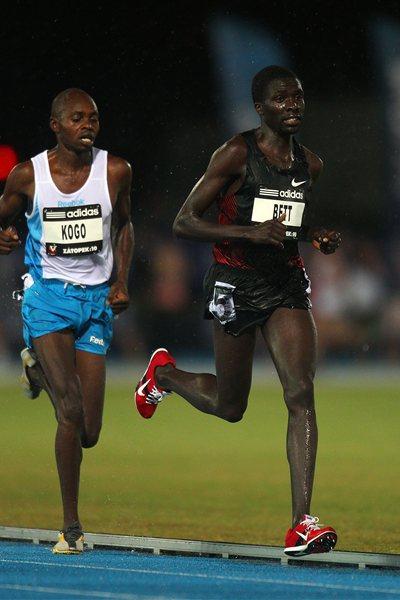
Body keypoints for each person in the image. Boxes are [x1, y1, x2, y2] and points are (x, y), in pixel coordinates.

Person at [135, 66, 341, 557]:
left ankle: (302, 523)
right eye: (281, 98)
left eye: (298, 96)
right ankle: (164, 376)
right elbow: (184, 222)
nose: (292, 104)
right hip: (235, 282)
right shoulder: (235, 154)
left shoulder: (309, 164)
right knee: (231, 407)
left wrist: (317, 236)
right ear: (260, 107)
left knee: (301, 393)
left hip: (286, 284)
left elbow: (292, 219)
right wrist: (249, 234)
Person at [0, 88, 134, 554]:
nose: (89, 125)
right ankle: (71, 528)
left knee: (89, 433)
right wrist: (4, 234)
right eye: (78, 118)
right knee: (70, 409)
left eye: (94, 117)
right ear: (55, 125)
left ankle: (35, 368)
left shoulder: (115, 171)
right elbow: (2, 216)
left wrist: (121, 282)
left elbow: (125, 226)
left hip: (95, 303)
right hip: (47, 300)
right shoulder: (27, 176)